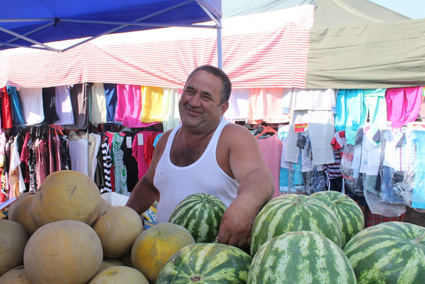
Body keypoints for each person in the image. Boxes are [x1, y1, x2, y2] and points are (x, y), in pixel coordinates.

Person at [126, 65, 275, 249]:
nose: (194, 102)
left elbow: (259, 176)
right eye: (190, 92)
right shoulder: (165, 139)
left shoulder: (233, 137)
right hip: (164, 258)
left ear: (223, 108)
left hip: (211, 265)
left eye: (206, 97)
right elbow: (150, 185)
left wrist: (246, 205)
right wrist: (125, 215)